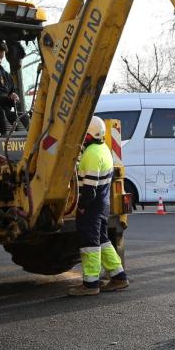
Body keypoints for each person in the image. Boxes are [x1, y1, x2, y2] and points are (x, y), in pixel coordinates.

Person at [68, 116, 130, 296]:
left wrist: (81, 207)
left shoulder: (91, 154)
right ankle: (119, 276)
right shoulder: (104, 149)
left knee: (90, 243)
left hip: (92, 206)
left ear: (88, 135)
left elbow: (89, 190)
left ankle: (90, 284)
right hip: (103, 205)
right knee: (102, 240)